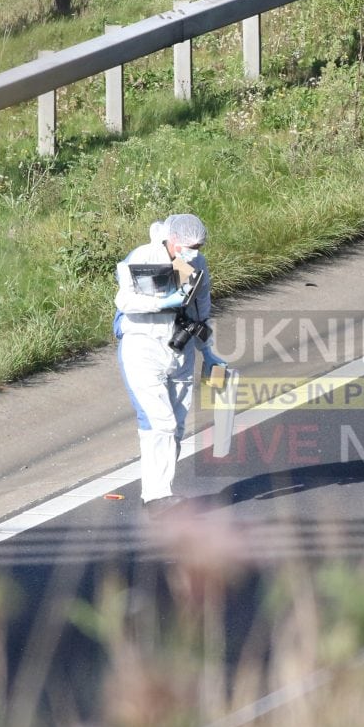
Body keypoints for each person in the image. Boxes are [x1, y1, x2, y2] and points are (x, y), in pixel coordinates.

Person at [113, 213, 220, 513]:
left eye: (199, 246)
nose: (194, 252)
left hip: (179, 348)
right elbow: (125, 302)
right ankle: (156, 497)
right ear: (172, 241)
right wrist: (163, 302)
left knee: (177, 425)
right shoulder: (143, 257)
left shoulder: (196, 264)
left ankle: (161, 490)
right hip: (143, 346)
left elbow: (202, 306)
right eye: (189, 246)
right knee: (159, 422)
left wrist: (208, 351)